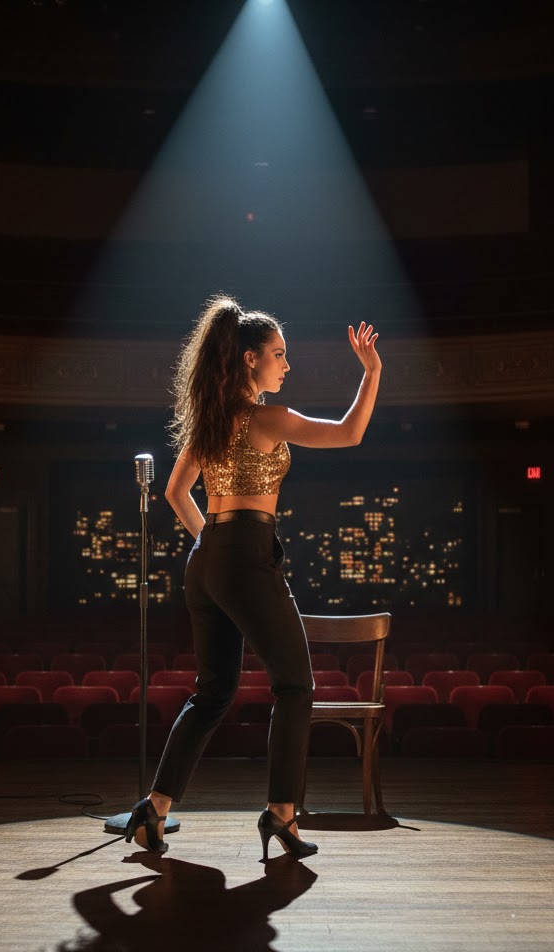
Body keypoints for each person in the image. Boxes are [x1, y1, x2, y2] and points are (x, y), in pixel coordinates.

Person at [125, 294, 381, 858]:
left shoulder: (213, 422)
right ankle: (282, 815)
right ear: (248, 360)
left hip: (209, 558)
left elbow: (175, 492)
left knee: (212, 694)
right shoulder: (269, 417)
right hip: (244, 552)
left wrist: (209, 544)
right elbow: (348, 433)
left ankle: (154, 810)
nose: (286, 365)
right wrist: (373, 372)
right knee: (296, 685)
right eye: (278, 354)